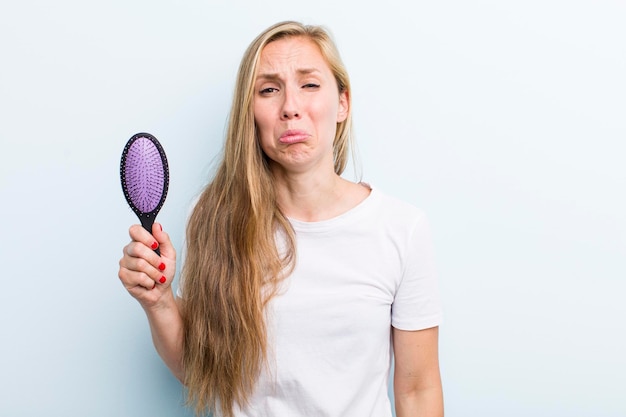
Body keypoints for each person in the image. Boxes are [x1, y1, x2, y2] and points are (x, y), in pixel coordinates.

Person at [118, 20, 443, 417]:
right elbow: (201, 371)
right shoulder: (212, 216)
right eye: (269, 90)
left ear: (342, 103)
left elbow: (418, 389)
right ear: (249, 113)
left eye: (309, 85)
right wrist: (160, 302)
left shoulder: (401, 229)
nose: (290, 107)